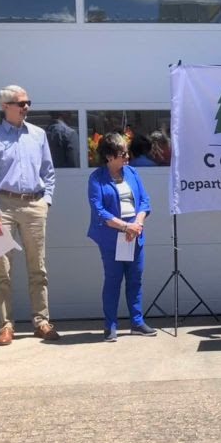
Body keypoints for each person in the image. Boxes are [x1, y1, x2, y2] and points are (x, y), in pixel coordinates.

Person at [0, 84, 58, 346]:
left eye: (28, 103)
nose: (26, 107)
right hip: (3, 208)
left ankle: (42, 321)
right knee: (1, 267)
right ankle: (5, 325)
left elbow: (48, 170)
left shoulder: (38, 134)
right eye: (21, 103)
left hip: (34, 206)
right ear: (5, 106)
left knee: (38, 267)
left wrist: (46, 201)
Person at [87, 132, 156, 342]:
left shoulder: (133, 173)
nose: (127, 157)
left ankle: (137, 322)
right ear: (109, 156)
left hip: (135, 234)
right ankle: (110, 326)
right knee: (113, 281)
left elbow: (144, 201)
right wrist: (126, 227)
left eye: (126, 153)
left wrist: (138, 224)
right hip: (112, 237)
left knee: (135, 280)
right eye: (122, 154)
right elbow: (99, 211)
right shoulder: (96, 178)